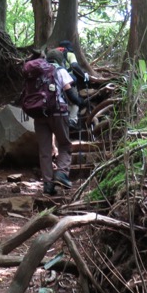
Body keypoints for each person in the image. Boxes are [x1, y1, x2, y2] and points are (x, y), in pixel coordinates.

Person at [38, 49, 85, 196]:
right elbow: (70, 93)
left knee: (44, 150)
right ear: (60, 60)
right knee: (64, 144)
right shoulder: (60, 70)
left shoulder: (38, 72)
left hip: (39, 114)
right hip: (58, 112)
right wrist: (81, 102)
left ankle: (47, 185)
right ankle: (61, 173)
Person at [57, 40, 88, 130]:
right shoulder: (69, 54)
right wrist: (83, 75)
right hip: (68, 82)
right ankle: (72, 120)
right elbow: (74, 65)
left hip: (55, 82)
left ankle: (63, 120)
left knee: (62, 101)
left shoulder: (53, 55)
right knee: (75, 101)